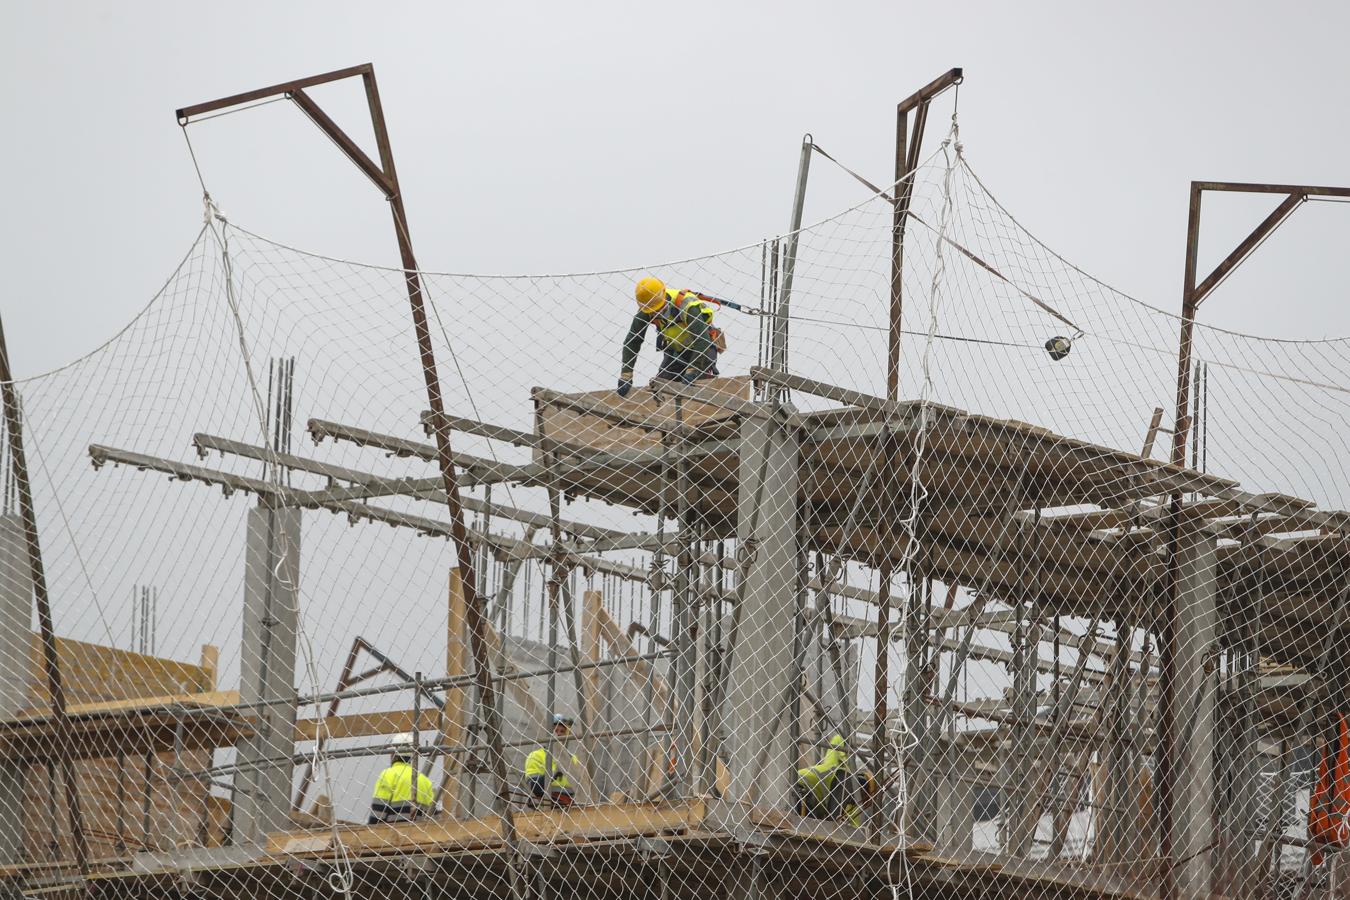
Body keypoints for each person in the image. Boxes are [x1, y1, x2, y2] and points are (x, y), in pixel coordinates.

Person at [617, 276, 725, 398]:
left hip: (702, 349)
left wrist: (692, 370)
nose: (655, 313)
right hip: (676, 353)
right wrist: (626, 375)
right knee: (660, 390)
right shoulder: (647, 309)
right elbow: (632, 341)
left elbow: (702, 340)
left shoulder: (687, 305)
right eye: (652, 311)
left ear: (663, 296)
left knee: (697, 390)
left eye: (659, 309)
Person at [794, 734, 876, 827]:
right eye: (866, 800)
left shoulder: (840, 777)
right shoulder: (846, 780)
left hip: (796, 787)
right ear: (864, 790)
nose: (861, 803)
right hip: (801, 792)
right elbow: (833, 820)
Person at [368, 733, 435, 823]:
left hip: (393, 835)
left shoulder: (387, 775)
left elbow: (377, 814)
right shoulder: (425, 781)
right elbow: (436, 818)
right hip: (421, 835)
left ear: (393, 754)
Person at [524, 714, 581, 807]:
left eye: (562, 731)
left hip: (569, 806)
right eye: (555, 731)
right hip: (545, 805)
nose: (558, 734)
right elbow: (533, 787)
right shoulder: (535, 756)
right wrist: (553, 774)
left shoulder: (574, 760)